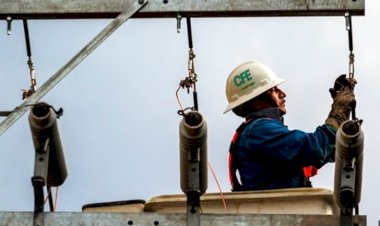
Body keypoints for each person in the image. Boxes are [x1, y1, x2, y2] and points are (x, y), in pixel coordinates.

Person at [224, 60, 355, 191]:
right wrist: (339, 113)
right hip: (278, 209)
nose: (283, 94)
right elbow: (315, 149)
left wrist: (342, 123)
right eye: (274, 90)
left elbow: (321, 152)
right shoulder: (259, 131)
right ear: (256, 100)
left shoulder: (256, 132)